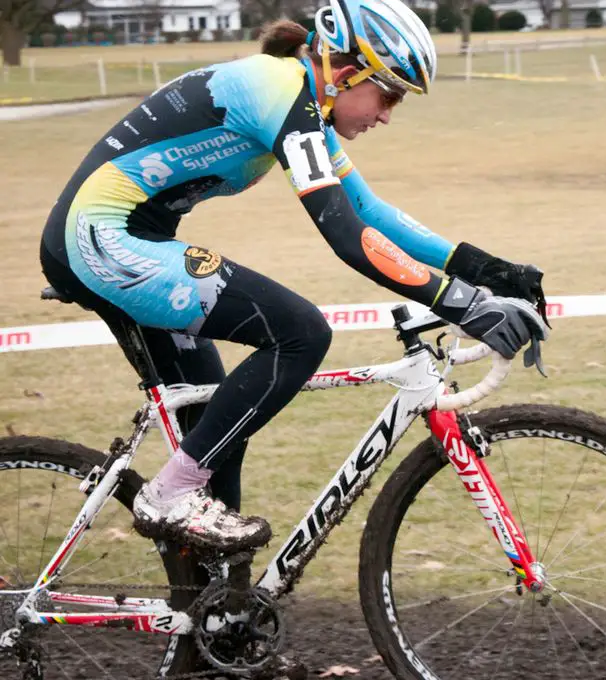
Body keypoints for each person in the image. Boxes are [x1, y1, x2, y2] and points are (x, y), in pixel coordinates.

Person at [39, 0, 549, 554]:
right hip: (101, 241)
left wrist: (487, 270)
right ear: (347, 70)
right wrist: (463, 303)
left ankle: (216, 612)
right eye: (389, 93)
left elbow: (368, 212)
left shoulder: (305, 103)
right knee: (300, 332)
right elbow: (345, 235)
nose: (387, 115)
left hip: (126, 241)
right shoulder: (277, 91)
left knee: (217, 425)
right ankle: (167, 497)